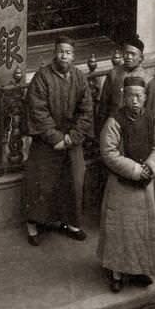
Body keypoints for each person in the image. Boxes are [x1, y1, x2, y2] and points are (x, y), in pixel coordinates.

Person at [98, 76, 155, 292]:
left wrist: (150, 166)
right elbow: (109, 153)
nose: (135, 100)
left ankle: (139, 269)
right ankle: (116, 272)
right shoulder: (114, 122)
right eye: (130, 96)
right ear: (124, 97)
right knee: (119, 230)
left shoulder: (151, 119)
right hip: (121, 185)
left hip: (144, 185)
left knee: (141, 229)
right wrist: (136, 170)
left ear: (145, 98)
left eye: (139, 96)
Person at [23, 38, 94, 246]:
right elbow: (38, 111)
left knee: (75, 179)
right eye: (61, 52)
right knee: (41, 183)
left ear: (74, 55)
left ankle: (70, 222)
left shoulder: (79, 77)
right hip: (47, 140)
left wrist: (73, 136)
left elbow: (87, 109)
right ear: (55, 53)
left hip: (71, 139)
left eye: (68, 52)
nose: (64, 56)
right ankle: (33, 224)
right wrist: (55, 137)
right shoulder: (42, 77)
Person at [97, 36, 155, 123]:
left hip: (136, 126)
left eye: (132, 54)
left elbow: (151, 114)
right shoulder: (114, 74)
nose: (128, 57)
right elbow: (104, 105)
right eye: (126, 53)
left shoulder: (149, 81)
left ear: (141, 58)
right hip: (114, 124)